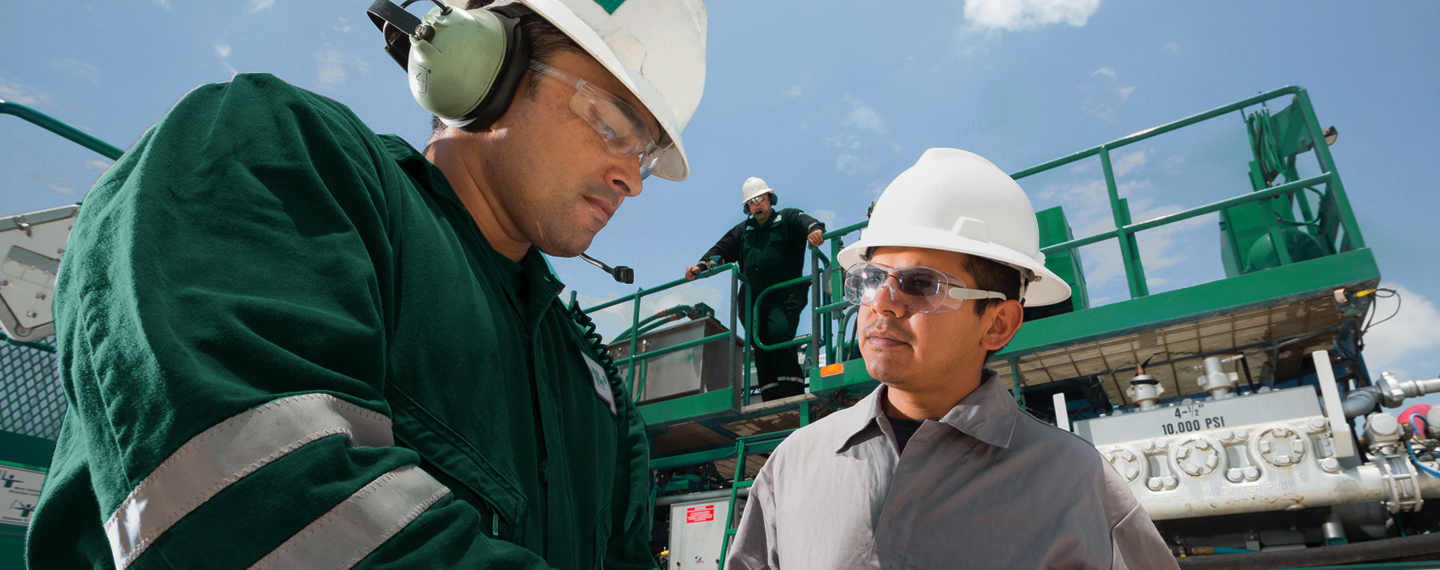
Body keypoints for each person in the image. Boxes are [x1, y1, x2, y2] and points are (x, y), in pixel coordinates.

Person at [27, 0, 707, 568]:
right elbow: (244, 500)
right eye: (611, 123)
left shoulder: (597, 386)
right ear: (482, 65)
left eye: (644, 151)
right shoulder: (281, 155)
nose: (632, 177)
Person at [724, 149, 1178, 570]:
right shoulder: (793, 465)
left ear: (997, 323)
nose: (881, 304)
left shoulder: (1078, 487)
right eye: (870, 278)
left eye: (920, 284)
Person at [684, 177, 824, 402]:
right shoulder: (743, 230)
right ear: (746, 207)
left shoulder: (787, 218)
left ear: (770, 198)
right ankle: (770, 399)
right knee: (759, 345)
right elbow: (721, 250)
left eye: (761, 198)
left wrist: (814, 231)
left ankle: (792, 396)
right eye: (751, 202)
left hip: (784, 293)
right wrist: (700, 266)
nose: (757, 204)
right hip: (751, 299)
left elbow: (808, 223)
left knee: (778, 335)